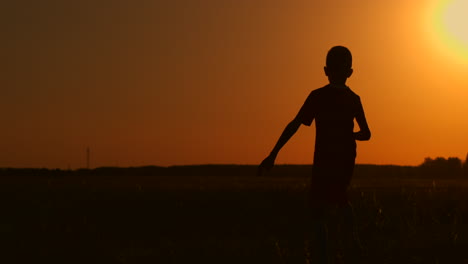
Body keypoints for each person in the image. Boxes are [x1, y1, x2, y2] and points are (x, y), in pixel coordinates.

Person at [258, 46, 371, 263]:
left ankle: (327, 256)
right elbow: (367, 133)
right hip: (346, 157)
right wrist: (350, 136)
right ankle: (353, 244)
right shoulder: (354, 99)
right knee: (340, 198)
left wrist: (273, 154)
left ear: (326, 70)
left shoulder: (318, 96)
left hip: (325, 158)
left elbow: (295, 124)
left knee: (318, 212)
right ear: (350, 72)